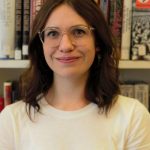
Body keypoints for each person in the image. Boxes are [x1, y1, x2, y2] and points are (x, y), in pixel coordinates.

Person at [0, 0, 150, 149]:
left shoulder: (132, 116)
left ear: (97, 42)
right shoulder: (11, 120)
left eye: (79, 31)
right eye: (53, 33)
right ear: (41, 45)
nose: (65, 46)